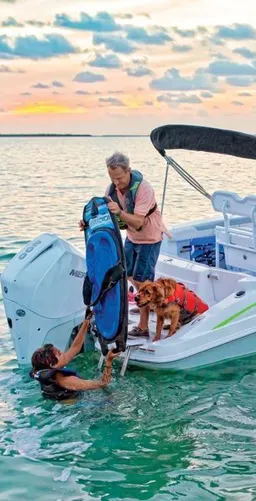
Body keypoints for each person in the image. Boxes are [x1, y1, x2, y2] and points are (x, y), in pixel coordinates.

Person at [81, 151, 167, 338]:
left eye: (119, 178)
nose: (116, 183)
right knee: (127, 274)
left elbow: (138, 222)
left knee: (143, 281)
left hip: (149, 238)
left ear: (128, 170)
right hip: (132, 237)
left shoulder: (144, 189)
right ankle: (145, 304)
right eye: (113, 179)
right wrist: (87, 223)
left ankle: (143, 327)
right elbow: (105, 218)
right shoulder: (111, 190)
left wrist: (119, 212)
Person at [29, 311, 117, 400]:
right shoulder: (67, 381)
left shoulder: (48, 372)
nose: (64, 353)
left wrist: (86, 321)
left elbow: (75, 347)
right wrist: (109, 361)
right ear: (51, 364)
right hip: (76, 408)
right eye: (60, 354)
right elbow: (103, 383)